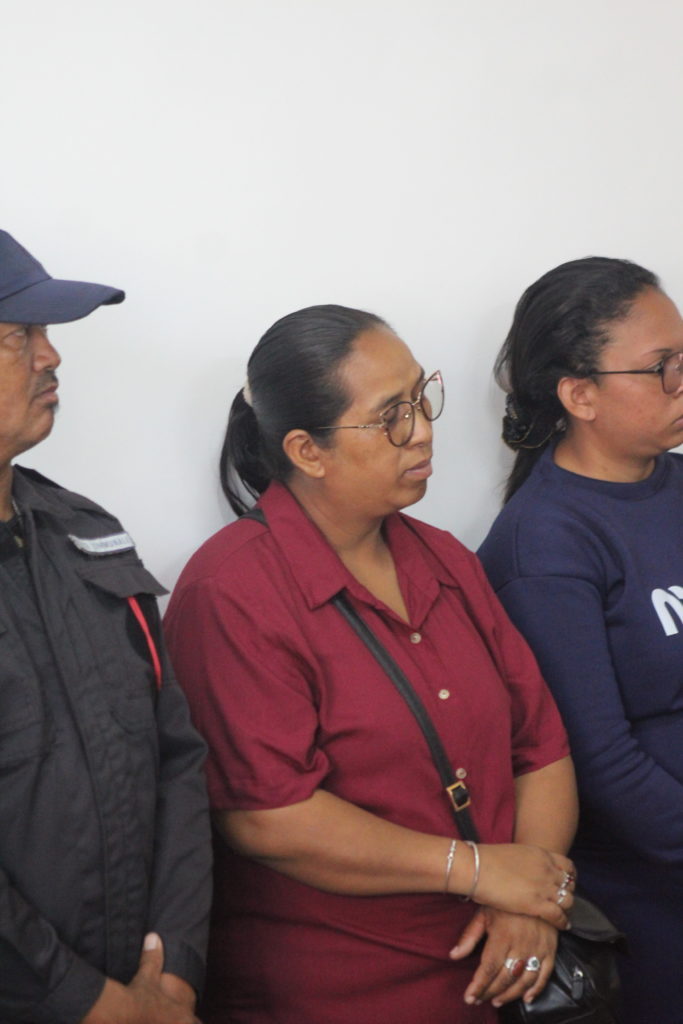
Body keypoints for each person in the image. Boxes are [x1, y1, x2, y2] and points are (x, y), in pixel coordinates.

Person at [164, 303, 578, 1024]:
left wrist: (529, 900)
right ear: (307, 451)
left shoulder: (446, 559)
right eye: (391, 416)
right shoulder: (230, 591)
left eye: (421, 397)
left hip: (496, 966)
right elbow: (268, 818)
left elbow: (540, 747)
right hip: (338, 984)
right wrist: (479, 872)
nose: (422, 430)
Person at [0, 230, 211, 1024]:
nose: (51, 357)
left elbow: (177, 758)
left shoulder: (88, 535)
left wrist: (173, 970)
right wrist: (88, 1003)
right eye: (19, 336)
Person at [478, 256, 683, 1024]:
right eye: (660, 368)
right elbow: (599, 765)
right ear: (579, 395)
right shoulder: (544, 543)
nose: (681, 382)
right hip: (648, 896)